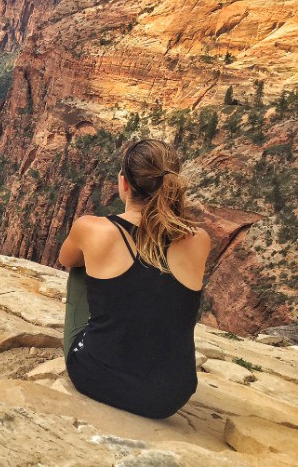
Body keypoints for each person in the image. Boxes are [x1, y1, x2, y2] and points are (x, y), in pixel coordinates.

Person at [58, 139, 211, 419]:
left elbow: (65, 260)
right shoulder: (199, 240)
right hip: (168, 398)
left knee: (80, 269)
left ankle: (100, 348)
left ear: (124, 184)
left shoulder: (91, 228)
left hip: (94, 378)